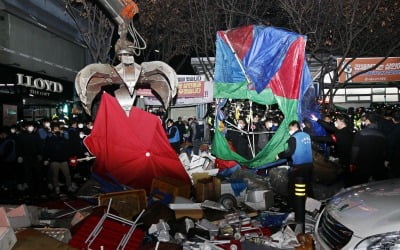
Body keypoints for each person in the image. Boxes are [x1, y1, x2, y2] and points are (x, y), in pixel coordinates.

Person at [311, 113, 354, 186]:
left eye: (337, 120)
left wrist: (310, 137)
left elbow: (326, 139)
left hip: (346, 160)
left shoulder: (342, 134)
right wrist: (317, 119)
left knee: (347, 178)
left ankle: (347, 190)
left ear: (342, 122)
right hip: (346, 158)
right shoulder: (345, 130)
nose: (335, 122)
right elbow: (329, 127)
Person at [277, 120, 313, 201]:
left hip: (299, 165)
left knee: (293, 185)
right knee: (308, 185)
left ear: (294, 127)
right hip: (309, 164)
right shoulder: (307, 135)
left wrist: (279, 155)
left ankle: (294, 204)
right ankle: (313, 206)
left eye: (290, 128)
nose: (289, 131)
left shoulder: (293, 138)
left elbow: (289, 152)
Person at [350, 112, 387, 185]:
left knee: (360, 185)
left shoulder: (360, 133)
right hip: (378, 166)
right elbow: (384, 152)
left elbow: (355, 150)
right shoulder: (382, 135)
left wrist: (352, 162)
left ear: (368, 121)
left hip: (362, 165)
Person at [43, 123, 74, 195]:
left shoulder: (63, 138)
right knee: (55, 175)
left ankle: (69, 186)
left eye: (58, 129)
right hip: (54, 160)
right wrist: (46, 159)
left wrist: (68, 157)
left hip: (63, 160)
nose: (57, 130)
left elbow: (67, 147)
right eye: (55, 129)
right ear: (53, 130)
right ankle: (56, 188)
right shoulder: (49, 139)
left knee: (67, 174)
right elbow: (46, 149)